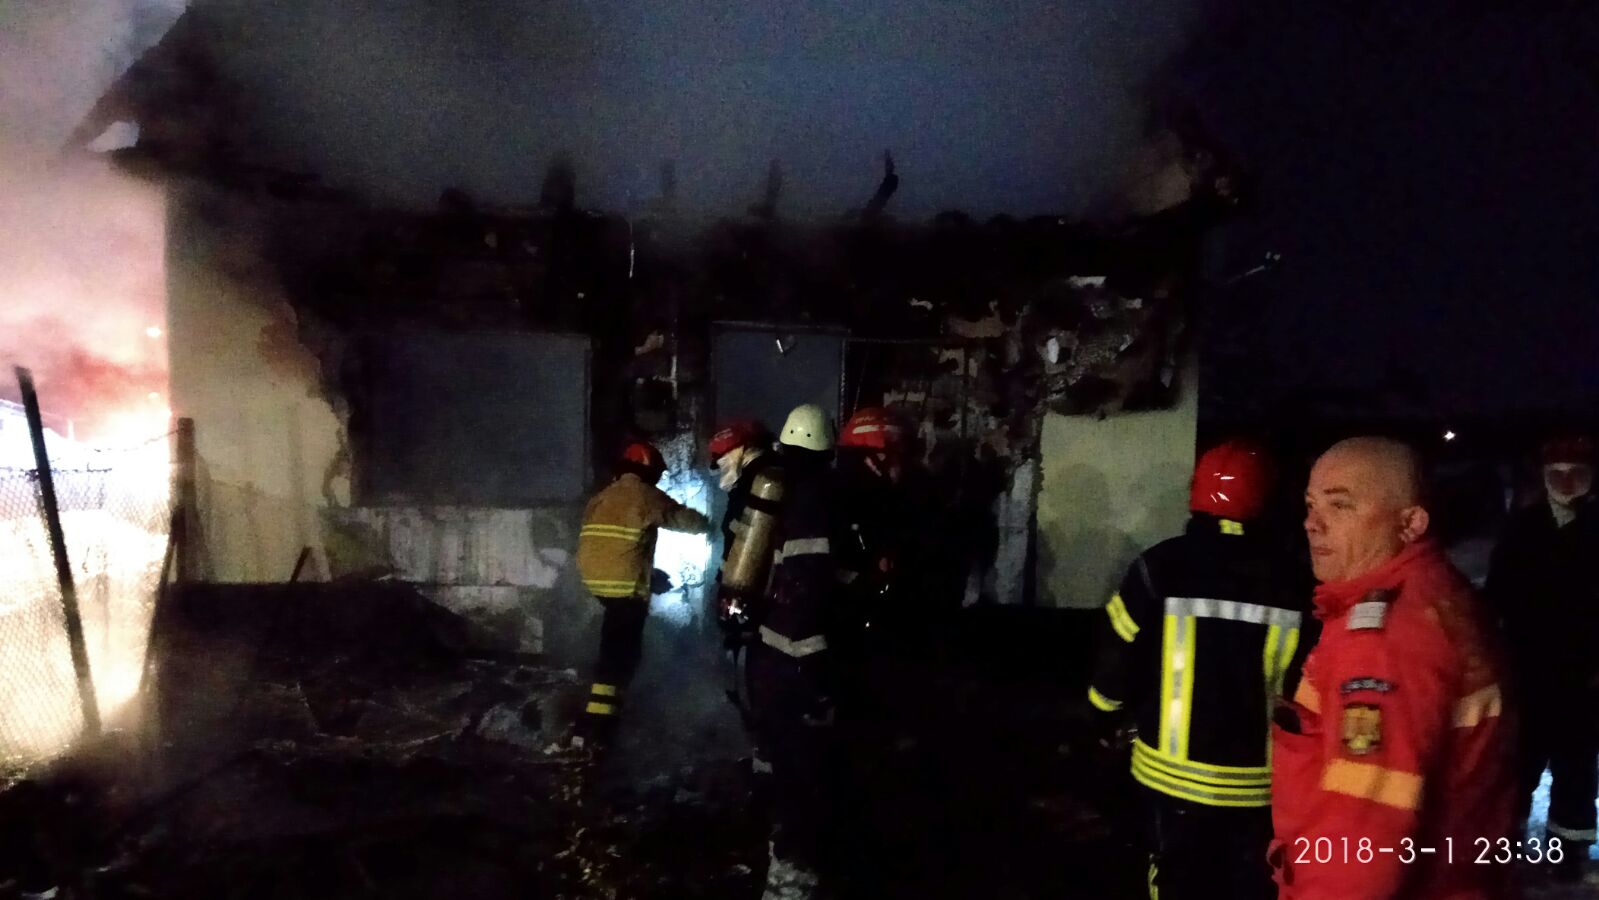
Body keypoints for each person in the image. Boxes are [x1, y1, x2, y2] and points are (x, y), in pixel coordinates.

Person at [1272, 437, 1515, 898]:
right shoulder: (1437, 596)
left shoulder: (1384, 640)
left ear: (1410, 523)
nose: (1312, 523)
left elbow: (1361, 837)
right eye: (1310, 504)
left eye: (1340, 505)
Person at [1085, 439, 1304, 900]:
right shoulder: (1298, 580)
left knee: (1175, 884)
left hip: (1167, 782)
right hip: (1261, 789)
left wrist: (1102, 716)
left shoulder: (1159, 567)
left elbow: (1117, 656)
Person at [1485, 435, 1599, 881]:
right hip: (1526, 674)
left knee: (1576, 770)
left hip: (1584, 680)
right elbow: (1495, 599)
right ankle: (1504, 848)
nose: (1567, 482)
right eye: (1558, 474)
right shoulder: (1522, 531)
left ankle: (1567, 856)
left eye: (1577, 473)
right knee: (1517, 766)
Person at [748, 403, 844, 900]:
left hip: (768, 653)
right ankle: (790, 882)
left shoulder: (778, 492)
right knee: (803, 777)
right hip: (794, 661)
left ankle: (776, 857)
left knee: (784, 767)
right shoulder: (813, 502)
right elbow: (803, 589)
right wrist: (816, 666)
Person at [574, 440, 709, 748]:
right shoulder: (644, 494)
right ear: (649, 471)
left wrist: (650, 575)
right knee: (620, 656)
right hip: (624, 589)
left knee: (616, 644)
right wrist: (711, 526)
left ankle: (602, 711)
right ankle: (600, 725)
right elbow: (684, 519)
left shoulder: (603, 496)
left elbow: (612, 546)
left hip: (597, 583)